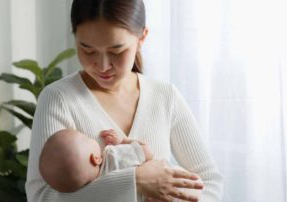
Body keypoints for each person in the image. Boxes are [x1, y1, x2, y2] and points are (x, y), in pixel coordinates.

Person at [26, 0, 223, 201]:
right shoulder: (58, 98)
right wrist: (135, 181)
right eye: (88, 50)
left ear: (141, 38)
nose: (102, 66)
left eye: (116, 51)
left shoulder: (165, 96)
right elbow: (41, 197)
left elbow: (210, 181)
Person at [39, 128, 154, 193]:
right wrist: (123, 141)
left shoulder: (93, 192)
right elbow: (147, 152)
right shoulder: (113, 158)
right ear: (96, 159)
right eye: (86, 138)